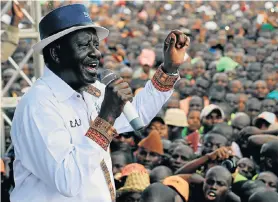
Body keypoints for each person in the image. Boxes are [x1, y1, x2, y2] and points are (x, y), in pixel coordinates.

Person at [10, 4, 190, 201]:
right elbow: (67, 180)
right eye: (84, 45)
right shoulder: (38, 105)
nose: (96, 53)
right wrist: (106, 117)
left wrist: (169, 69)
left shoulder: (93, 91)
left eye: (96, 45)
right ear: (56, 53)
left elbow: (136, 113)